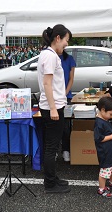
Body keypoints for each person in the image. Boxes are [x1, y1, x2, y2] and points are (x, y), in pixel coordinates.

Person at [37, 24, 72, 193]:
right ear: (58, 38)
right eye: (66, 40)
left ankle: (52, 178)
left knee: (52, 145)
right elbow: (47, 83)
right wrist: (52, 108)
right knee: (51, 147)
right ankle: (50, 184)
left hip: (54, 105)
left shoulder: (48, 54)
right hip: (53, 107)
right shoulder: (49, 56)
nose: (66, 44)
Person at [59, 50, 76, 162]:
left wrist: (65, 93)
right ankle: (54, 150)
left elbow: (71, 79)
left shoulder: (69, 59)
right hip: (51, 97)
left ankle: (66, 149)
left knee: (65, 124)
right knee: (52, 125)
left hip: (66, 96)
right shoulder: (48, 57)